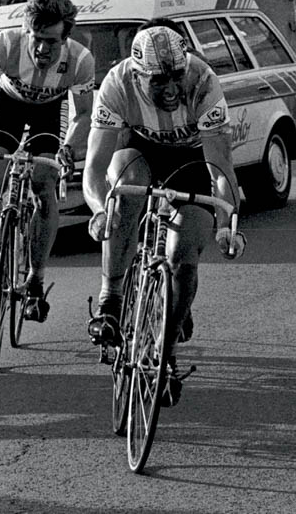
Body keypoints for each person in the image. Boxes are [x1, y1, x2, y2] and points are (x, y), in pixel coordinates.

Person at [83, 25, 245, 394]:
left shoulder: (203, 82)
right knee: (125, 191)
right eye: (159, 81)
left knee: (183, 255)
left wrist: (225, 224)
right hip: (138, 151)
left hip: (191, 159)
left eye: (176, 76)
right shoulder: (117, 84)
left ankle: (165, 354)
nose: (171, 89)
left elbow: (220, 168)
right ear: (138, 75)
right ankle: (111, 298)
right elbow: (94, 167)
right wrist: (98, 209)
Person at [0, 0, 95, 322]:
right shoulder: (5, 46)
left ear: (65, 39)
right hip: (8, 105)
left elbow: (84, 115)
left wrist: (68, 149)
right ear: (26, 31)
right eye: (37, 38)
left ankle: (35, 278)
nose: (43, 48)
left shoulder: (79, 60)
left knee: (45, 190)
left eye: (52, 41)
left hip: (49, 112)